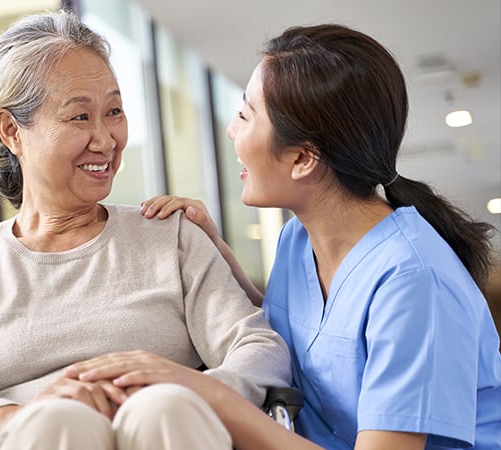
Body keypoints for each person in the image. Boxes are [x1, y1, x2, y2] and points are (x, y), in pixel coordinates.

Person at [0, 10, 293, 450]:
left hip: (168, 427)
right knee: (60, 424)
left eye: (114, 111)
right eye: (80, 117)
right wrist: (6, 418)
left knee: (163, 407)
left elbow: (259, 348)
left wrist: (190, 387)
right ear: (11, 130)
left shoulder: (170, 235)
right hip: (44, 436)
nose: (105, 140)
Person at [69, 23, 501, 450]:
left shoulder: (414, 282)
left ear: (301, 158)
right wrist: (216, 252)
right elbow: (306, 333)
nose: (231, 131)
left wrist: (207, 391)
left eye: (244, 114)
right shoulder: (299, 239)